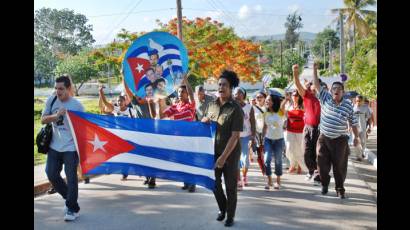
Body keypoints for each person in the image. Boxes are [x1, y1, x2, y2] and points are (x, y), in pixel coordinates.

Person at [312, 62, 360, 199]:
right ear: (331, 91)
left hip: (340, 140)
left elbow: (353, 122)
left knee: (339, 166)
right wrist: (315, 70)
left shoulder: (348, 105)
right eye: (334, 88)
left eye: (338, 88)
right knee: (321, 163)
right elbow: (316, 84)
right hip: (324, 137)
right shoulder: (325, 98)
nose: (335, 90)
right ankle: (325, 184)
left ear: (343, 92)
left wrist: (356, 137)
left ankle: (340, 189)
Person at [201, 70, 243, 227]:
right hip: (213, 151)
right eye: (219, 84)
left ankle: (230, 216)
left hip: (230, 154)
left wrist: (223, 157)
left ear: (231, 88)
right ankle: (223, 208)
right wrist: (204, 120)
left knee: (231, 186)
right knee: (214, 183)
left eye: (224, 85)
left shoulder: (235, 109)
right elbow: (205, 122)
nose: (221, 87)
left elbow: (235, 136)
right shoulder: (211, 105)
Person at [41, 75, 85, 221]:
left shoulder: (77, 105)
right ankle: (70, 200)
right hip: (54, 146)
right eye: (56, 88)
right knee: (51, 174)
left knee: (71, 178)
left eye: (61, 89)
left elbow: (84, 128)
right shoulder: (52, 100)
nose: (58, 91)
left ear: (69, 89)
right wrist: (56, 115)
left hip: (71, 148)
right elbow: (43, 119)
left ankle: (72, 209)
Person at [158, 74, 197, 192]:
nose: (180, 94)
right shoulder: (175, 106)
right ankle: (186, 182)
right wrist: (159, 99)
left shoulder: (190, 106)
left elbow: (191, 94)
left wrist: (185, 80)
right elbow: (162, 115)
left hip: (189, 138)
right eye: (179, 92)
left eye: (183, 92)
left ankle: (192, 184)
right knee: (182, 161)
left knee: (190, 161)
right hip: (178, 139)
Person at [292, 64, 321, 185]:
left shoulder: (323, 97)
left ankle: (318, 174)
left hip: (320, 129)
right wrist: (295, 73)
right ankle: (311, 171)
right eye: (311, 84)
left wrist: (315, 70)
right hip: (308, 128)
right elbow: (298, 85)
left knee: (318, 153)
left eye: (315, 84)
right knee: (306, 152)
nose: (312, 85)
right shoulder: (307, 96)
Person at [262, 93, 287, 190]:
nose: (266, 101)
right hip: (268, 139)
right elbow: (265, 126)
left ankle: (278, 181)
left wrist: (286, 98)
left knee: (278, 161)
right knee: (266, 160)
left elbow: (283, 104)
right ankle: (269, 181)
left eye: (269, 100)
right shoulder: (265, 113)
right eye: (266, 100)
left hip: (279, 140)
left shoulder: (280, 112)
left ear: (274, 102)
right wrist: (262, 140)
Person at [233, 87, 256, 190]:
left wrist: (253, 135)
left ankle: (244, 176)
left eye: (239, 94)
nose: (237, 96)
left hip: (246, 136)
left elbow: (252, 122)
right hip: (235, 137)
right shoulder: (232, 107)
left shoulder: (249, 107)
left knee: (245, 159)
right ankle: (238, 180)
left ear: (244, 95)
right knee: (236, 159)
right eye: (235, 94)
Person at [284, 90, 307, 175]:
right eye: (293, 95)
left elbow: (306, 116)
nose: (294, 97)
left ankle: (299, 166)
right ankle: (293, 164)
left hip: (300, 131)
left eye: (296, 95)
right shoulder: (289, 105)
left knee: (299, 149)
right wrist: (285, 100)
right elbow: (284, 113)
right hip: (290, 130)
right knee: (289, 149)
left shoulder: (303, 105)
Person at [353, 95, 372, 161]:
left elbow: (369, 118)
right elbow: (349, 118)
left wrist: (369, 127)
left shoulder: (365, 108)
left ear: (362, 101)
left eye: (359, 101)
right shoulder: (353, 107)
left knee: (363, 142)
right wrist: (349, 126)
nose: (357, 102)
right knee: (356, 142)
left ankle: (362, 152)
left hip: (363, 128)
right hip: (354, 128)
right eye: (356, 101)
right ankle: (358, 156)